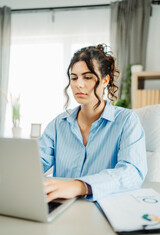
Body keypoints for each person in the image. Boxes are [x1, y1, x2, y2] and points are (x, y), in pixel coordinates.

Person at [38, 44, 147, 203]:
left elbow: (132, 172)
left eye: (87, 77)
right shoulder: (58, 124)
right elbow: (34, 165)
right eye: (74, 77)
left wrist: (80, 186)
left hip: (106, 210)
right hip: (62, 209)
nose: (78, 84)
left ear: (105, 80)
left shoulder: (127, 121)